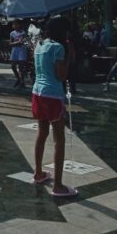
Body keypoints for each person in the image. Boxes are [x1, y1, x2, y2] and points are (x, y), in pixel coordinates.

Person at [31, 16, 77, 198]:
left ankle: (38, 173)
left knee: (42, 133)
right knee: (59, 139)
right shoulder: (58, 48)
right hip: (52, 95)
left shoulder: (39, 46)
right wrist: (69, 57)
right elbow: (61, 76)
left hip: (37, 92)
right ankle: (58, 185)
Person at [9, 21, 29, 88]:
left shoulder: (23, 33)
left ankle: (22, 81)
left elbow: (21, 42)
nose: (15, 26)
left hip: (21, 50)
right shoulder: (12, 33)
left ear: (20, 25)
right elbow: (11, 43)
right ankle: (18, 79)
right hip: (15, 50)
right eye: (14, 24)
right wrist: (17, 43)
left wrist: (17, 43)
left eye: (16, 24)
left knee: (21, 67)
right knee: (13, 66)